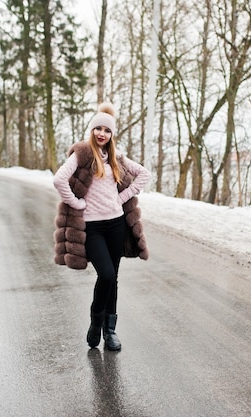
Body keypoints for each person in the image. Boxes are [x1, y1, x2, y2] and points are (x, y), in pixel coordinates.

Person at [53, 102, 151, 351]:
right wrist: (76, 202)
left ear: (111, 135)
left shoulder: (117, 158)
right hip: (93, 228)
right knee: (105, 275)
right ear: (92, 131)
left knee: (113, 279)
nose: (102, 134)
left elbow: (145, 175)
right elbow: (59, 179)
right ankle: (96, 322)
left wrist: (122, 197)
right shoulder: (83, 154)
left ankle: (110, 331)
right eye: (97, 129)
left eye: (106, 130)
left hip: (116, 225)